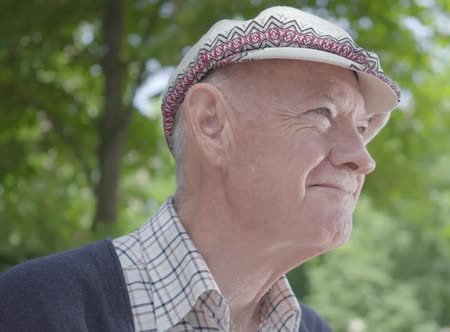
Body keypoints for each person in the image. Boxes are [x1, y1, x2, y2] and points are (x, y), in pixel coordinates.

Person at [0, 6, 400, 332]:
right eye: (322, 113)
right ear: (211, 123)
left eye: (362, 128)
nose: (363, 158)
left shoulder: (314, 329)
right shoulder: (38, 307)